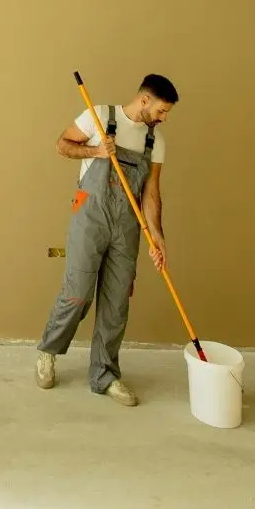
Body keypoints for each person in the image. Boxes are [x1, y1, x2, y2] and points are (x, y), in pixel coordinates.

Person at [35, 74, 179, 407]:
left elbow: (152, 193)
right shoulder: (100, 116)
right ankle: (48, 351)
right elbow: (62, 145)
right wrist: (97, 150)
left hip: (127, 227)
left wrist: (157, 236)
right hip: (91, 218)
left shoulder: (154, 142)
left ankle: (105, 375)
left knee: (116, 304)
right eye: (161, 110)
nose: (163, 117)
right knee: (77, 294)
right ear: (144, 100)